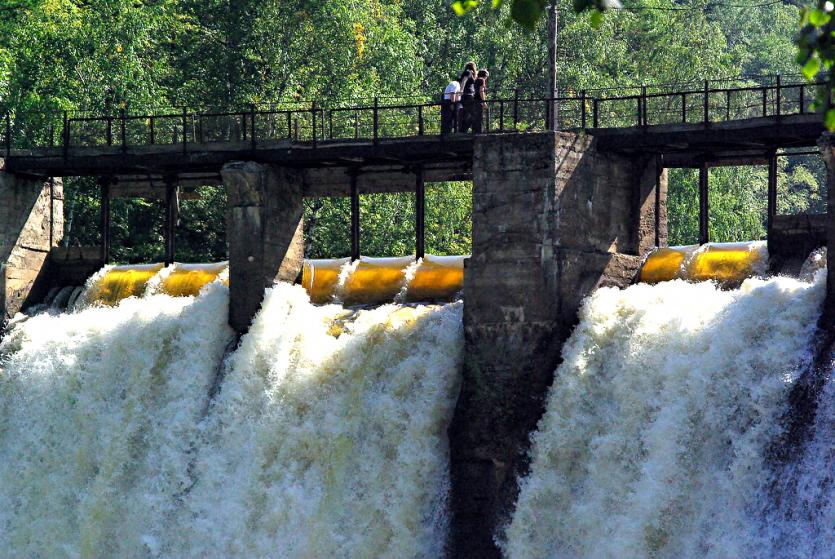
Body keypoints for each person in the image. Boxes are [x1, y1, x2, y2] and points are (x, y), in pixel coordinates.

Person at [458, 62, 477, 133]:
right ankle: (464, 130)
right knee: (475, 113)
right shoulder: (468, 72)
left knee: (466, 115)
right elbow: (463, 81)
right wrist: (461, 91)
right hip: (467, 96)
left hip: (466, 96)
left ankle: (462, 131)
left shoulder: (467, 73)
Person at [472, 69, 489, 134]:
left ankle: (475, 131)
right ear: (485, 75)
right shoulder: (482, 80)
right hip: (479, 100)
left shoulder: (475, 80)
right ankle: (479, 132)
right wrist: (484, 102)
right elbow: (481, 91)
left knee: (475, 116)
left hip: (474, 100)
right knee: (480, 116)